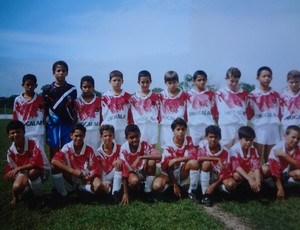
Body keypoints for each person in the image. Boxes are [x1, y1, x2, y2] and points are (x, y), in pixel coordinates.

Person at [152, 118, 200, 202]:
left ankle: (192, 191)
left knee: (194, 163)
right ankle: (172, 188)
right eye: (178, 129)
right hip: (168, 173)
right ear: (173, 131)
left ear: (186, 130)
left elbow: (193, 155)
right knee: (157, 186)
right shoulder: (168, 145)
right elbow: (167, 166)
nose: (181, 132)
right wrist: (175, 185)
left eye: (183, 129)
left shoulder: (189, 140)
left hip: (181, 171)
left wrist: (176, 160)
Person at [4, 120, 50, 204]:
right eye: (12, 133)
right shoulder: (10, 151)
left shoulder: (34, 142)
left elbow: (36, 163)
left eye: (18, 132)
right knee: (17, 186)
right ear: (8, 135)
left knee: (33, 172)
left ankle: (39, 197)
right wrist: (14, 194)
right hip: (24, 172)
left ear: (24, 132)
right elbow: (11, 172)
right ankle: (27, 189)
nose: (15, 135)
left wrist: (18, 169)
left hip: (41, 169)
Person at [51, 124, 101, 197]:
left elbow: (96, 169)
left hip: (85, 179)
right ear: (71, 135)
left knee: (98, 186)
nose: (78, 138)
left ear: (84, 136)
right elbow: (54, 161)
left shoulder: (89, 149)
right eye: (76, 136)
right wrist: (73, 171)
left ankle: (80, 190)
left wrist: (88, 178)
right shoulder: (67, 147)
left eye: (81, 136)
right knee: (54, 167)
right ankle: (63, 194)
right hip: (70, 178)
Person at [117, 124, 161, 204]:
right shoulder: (124, 149)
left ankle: (147, 191)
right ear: (126, 138)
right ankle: (131, 190)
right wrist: (125, 193)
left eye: (137, 136)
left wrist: (141, 158)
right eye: (131, 137)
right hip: (131, 173)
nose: (135, 139)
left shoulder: (144, 145)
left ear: (140, 135)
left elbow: (159, 156)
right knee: (134, 181)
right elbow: (124, 172)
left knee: (151, 162)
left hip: (142, 171)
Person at [42, 60, 77, 159]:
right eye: (58, 70)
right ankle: (55, 172)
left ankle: (67, 171)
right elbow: (45, 106)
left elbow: (73, 106)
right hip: (52, 123)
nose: (61, 73)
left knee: (68, 148)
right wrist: (45, 119)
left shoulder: (72, 89)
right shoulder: (47, 89)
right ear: (53, 72)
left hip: (67, 123)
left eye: (63, 70)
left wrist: (74, 118)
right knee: (54, 147)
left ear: (67, 72)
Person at [247, 66, 281, 162]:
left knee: (270, 156)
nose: (267, 78)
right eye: (264, 76)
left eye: (269, 76)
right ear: (258, 78)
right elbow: (249, 113)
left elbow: (280, 111)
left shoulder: (276, 95)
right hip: (259, 128)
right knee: (257, 155)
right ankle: (258, 174)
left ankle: (268, 174)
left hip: (273, 128)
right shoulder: (252, 95)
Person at [197, 125, 236, 207]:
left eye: (215, 137)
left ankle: (216, 190)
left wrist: (213, 185)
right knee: (206, 163)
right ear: (206, 137)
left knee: (231, 184)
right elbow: (199, 158)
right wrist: (217, 159)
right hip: (206, 173)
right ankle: (205, 195)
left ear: (220, 138)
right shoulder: (202, 144)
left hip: (218, 176)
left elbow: (225, 172)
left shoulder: (225, 151)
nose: (213, 139)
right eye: (210, 137)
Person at [262, 125, 300, 200]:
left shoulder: (298, 148)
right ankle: (266, 187)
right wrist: (280, 189)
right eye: (293, 137)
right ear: (285, 136)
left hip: (287, 174)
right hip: (274, 174)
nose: (296, 140)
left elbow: (298, 166)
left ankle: (284, 184)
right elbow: (274, 171)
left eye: (298, 138)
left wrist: (285, 155)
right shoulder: (276, 148)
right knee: (264, 169)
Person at [215, 67, 248, 149]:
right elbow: (215, 111)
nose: (234, 84)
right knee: (226, 149)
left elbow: (246, 109)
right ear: (226, 79)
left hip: (240, 125)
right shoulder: (219, 93)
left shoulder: (244, 93)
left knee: (239, 150)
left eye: (236, 81)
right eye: (232, 81)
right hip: (226, 126)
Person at [13, 74, 45, 149]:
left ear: (36, 85)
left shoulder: (40, 99)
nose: (30, 87)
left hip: (37, 133)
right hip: (23, 133)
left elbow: (44, 115)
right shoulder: (18, 100)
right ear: (23, 85)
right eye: (27, 84)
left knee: (38, 156)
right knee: (25, 155)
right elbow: (15, 116)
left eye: (32, 84)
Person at [187, 70, 218, 146]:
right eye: (199, 80)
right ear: (194, 81)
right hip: (194, 127)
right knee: (194, 147)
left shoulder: (210, 94)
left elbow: (214, 111)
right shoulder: (188, 94)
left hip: (208, 126)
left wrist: (216, 125)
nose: (202, 82)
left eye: (204, 80)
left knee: (207, 147)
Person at [101, 70, 132, 145]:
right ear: (109, 81)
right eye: (114, 80)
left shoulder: (127, 96)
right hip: (108, 131)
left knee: (122, 151)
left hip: (122, 130)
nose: (117, 82)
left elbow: (130, 114)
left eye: (119, 80)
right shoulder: (104, 97)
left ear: (122, 81)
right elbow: (101, 115)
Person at [130, 70, 159, 147]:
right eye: (143, 82)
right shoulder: (133, 98)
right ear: (138, 82)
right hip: (139, 127)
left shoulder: (156, 97)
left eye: (147, 82)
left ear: (150, 81)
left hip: (152, 127)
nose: (145, 84)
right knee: (139, 149)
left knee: (152, 150)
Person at [158, 71, 187, 148]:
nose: (172, 85)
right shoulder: (161, 95)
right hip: (166, 126)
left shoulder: (184, 95)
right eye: (169, 83)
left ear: (177, 81)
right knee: (167, 149)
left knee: (180, 148)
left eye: (174, 82)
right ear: (165, 83)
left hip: (179, 128)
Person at [93, 124, 122, 200]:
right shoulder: (97, 152)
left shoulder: (120, 148)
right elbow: (98, 170)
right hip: (105, 178)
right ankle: (110, 188)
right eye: (105, 136)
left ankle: (115, 194)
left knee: (118, 163)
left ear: (114, 136)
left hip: (117, 174)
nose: (108, 138)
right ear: (101, 138)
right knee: (98, 187)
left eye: (110, 135)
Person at [229, 126, 261, 193]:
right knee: (237, 176)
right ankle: (240, 190)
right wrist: (249, 179)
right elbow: (236, 167)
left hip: (247, 171)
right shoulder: (234, 149)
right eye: (246, 140)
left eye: (251, 140)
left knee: (258, 176)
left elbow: (256, 166)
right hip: (237, 172)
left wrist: (258, 180)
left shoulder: (253, 149)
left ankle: (253, 190)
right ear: (239, 138)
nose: (249, 142)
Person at [75, 75, 101, 151]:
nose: (87, 89)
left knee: (95, 153)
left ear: (93, 87)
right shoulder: (77, 102)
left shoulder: (99, 101)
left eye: (89, 87)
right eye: (85, 87)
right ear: (81, 87)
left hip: (95, 132)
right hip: (82, 132)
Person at [280, 70, 300, 137]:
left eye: (296, 82)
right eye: (291, 82)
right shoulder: (282, 95)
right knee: (286, 146)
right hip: (286, 126)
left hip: (298, 126)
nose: (294, 84)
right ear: (287, 82)